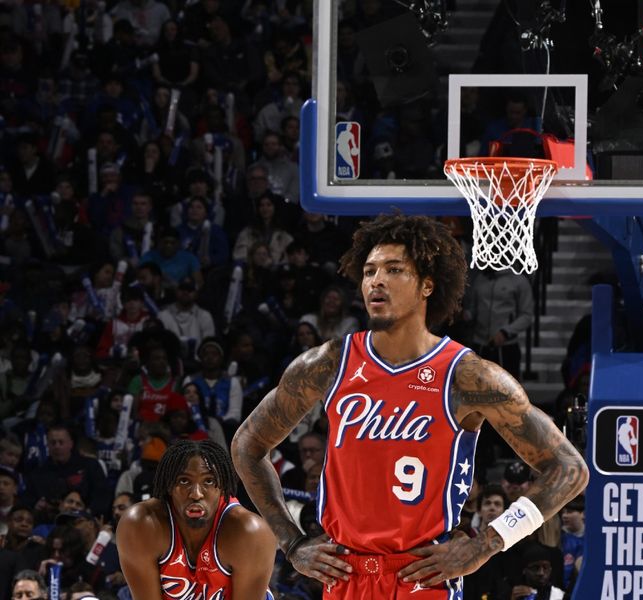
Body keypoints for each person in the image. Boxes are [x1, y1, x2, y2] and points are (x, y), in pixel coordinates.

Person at [231, 214, 588, 597]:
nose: (376, 281)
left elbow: (569, 469)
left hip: (424, 576)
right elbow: (247, 446)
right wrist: (292, 542)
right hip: (344, 574)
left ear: (427, 285)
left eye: (394, 269)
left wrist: (487, 543)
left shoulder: (467, 377)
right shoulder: (327, 364)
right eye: (368, 271)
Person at [116, 439, 275, 599]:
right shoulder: (140, 525)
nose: (196, 494)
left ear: (223, 487)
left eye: (209, 481)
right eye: (184, 481)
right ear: (169, 486)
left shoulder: (250, 533)